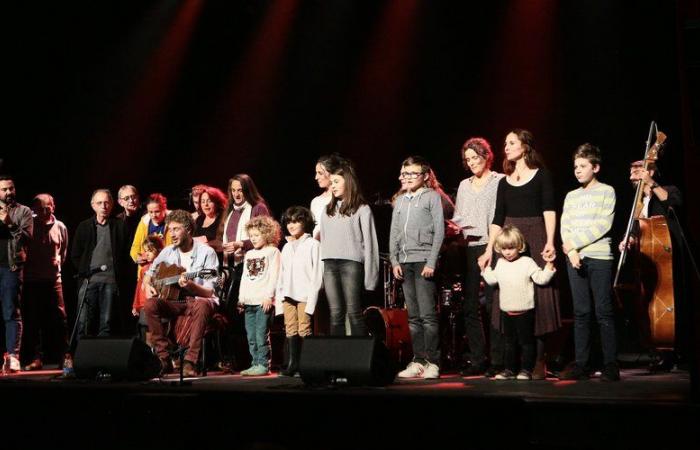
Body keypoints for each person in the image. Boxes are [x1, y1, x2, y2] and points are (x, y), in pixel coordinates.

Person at [481, 129, 560, 380]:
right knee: (508, 296)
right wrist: (487, 249)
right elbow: (497, 218)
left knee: (539, 295)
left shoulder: (542, 176)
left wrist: (549, 241)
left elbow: (549, 209)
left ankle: (537, 360)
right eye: (505, 142)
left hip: (535, 235)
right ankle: (509, 364)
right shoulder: (504, 182)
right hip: (509, 237)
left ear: (525, 146)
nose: (506, 146)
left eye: (511, 142)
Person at [559, 144, 619, 381]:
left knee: (603, 311)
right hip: (575, 258)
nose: (578, 170)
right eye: (575, 166)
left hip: (599, 256)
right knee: (581, 312)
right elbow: (565, 225)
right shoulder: (571, 196)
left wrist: (574, 245)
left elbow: (603, 224)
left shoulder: (607, 191)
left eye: (583, 166)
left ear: (595, 167)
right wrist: (570, 249)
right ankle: (582, 364)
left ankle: (610, 365)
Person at [618, 159, 685, 371]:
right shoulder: (639, 203)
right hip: (647, 259)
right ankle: (657, 349)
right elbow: (642, 229)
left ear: (651, 171)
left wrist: (653, 184)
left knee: (675, 303)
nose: (632, 174)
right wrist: (629, 239)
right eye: (631, 170)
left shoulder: (666, 189)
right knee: (648, 304)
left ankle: (678, 351)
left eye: (637, 169)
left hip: (668, 256)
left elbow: (675, 204)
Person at [449, 137, 505, 376]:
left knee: (494, 305)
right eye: (468, 159)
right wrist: (454, 228)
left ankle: (498, 360)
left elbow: (502, 216)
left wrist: (492, 247)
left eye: (476, 157)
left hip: (494, 246)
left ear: (486, 156)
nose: (472, 162)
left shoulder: (500, 181)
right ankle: (478, 358)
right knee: (471, 305)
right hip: (471, 247)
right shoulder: (464, 185)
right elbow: (460, 216)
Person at [142, 210, 219, 377]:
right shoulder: (168, 251)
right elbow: (150, 273)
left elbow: (210, 291)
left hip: (199, 300)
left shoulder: (207, 253)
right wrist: (147, 284)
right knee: (150, 305)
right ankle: (164, 358)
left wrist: (191, 285)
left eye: (176, 229)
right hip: (175, 301)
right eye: (170, 230)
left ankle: (190, 361)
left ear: (189, 230)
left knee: (201, 304)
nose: (172, 234)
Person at [390, 156, 445, 380]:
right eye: (405, 173)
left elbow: (439, 231)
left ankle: (433, 361)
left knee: (427, 315)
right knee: (413, 316)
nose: (408, 177)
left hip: (424, 260)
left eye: (413, 173)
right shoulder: (401, 201)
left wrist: (432, 261)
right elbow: (394, 232)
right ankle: (418, 360)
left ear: (424, 176)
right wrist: (394, 261)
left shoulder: (432, 197)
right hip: (405, 261)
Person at [482, 226, 556, 380]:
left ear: (519, 247)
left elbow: (541, 278)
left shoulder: (527, 262)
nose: (507, 252)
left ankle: (526, 370)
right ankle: (509, 369)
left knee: (526, 343)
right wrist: (484, 269)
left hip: (525, 311)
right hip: (507, 311)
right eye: (504, 248)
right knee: (509, 343)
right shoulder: (501, 263)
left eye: (511, 248)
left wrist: (549, 266)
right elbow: (492, 280)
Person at [216, 174, 271, 370]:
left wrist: (242, 244)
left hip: (249, 267)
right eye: (233, 190)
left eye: (240, 190)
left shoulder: (257, 208)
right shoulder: (230, 210)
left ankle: (253, 360)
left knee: (241, 314)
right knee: (230, 313)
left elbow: (267, 234)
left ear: (247, 190)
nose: (237, 194)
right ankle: (238, 359)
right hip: (230, 267)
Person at [320, 159, 379, 336]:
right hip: (330, 265)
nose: (333, 186)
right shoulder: (327, 210)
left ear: (348, 182)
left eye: (336, 182)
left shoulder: (362, 209)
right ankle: (338, 359)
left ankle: (359, 358)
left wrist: (371, 278)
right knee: (335, 314)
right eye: (331, 183)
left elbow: (370, 244)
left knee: (354, 313)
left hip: (351, 265)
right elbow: (324, 241)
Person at [70, 189, 127, 338]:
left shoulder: (119, 226)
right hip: (88, 281)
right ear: (93, 205)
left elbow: (125, 253)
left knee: (106, 323)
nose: (104, 206)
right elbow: (75, 254)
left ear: (112, 204)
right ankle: (80, 356)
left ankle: (102, 357)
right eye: (100, 203)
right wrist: (84, 272)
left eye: (107, 202)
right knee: (83, 321)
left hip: (110, 281)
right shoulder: (84, 226)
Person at [21, 194, 69, 370]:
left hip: (53, 280)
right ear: (33, 209)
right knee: (32, 320)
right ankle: (35, 357)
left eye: (47, 206)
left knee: (59, 319)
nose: (44, 211)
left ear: (53, 206)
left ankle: (64, 356)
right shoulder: (28, 225)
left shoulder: (61, 227)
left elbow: (63, 252)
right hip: (32, 279)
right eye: (39, 208)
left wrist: (55, 266)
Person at [276, 206, 323, 377]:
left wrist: (312, 300)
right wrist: (279, 298)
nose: (291, 225)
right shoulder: (287, 247)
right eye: (289, 222)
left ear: (305, 222)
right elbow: (282, 274)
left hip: (304, 295)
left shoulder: (313, 245)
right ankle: (293, 363)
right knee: (290, 329)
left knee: (304, 329)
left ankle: (307, 364)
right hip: (287, 295)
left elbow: (317, 274)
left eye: (296, 221)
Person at [238, 216, 281, 376]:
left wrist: (269, 296)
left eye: (257, 235)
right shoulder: (249, 254)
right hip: (249, 301)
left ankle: (263, 364)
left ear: (267, 234)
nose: (253, 239)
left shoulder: (273, 252)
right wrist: (241, 298)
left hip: (263, 301)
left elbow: (274, 275)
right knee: (250, 335)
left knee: (261, 334)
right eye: (251, 236)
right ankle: (254, 362)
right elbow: (244, 277)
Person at [0, 175, 33, 372]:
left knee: (11, 311)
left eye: (11, 188)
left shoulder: (24, 211)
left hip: (11, 267)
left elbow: (26, 238)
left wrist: (9, 223)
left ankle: (13, 355)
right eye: (4, 189)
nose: (8, 192)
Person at [131, 235, 164, 344]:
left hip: (155, 305)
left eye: (150, 251)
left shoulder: (163, 267)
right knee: (145, 333)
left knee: (157, 332)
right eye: (145, 251)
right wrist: (136, 305)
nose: (146, 254)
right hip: (144, 306)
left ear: (158, 250)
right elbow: (139, 288)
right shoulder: (144, 268)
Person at [193, 186, 227, 262]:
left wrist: (207, 243)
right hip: (200, 261)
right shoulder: (199, 220)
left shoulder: (223, 219)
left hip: (218, 261)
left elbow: (224, 243)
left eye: (209, 201)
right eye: (203, 201)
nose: (206, 204)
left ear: (217, 202)